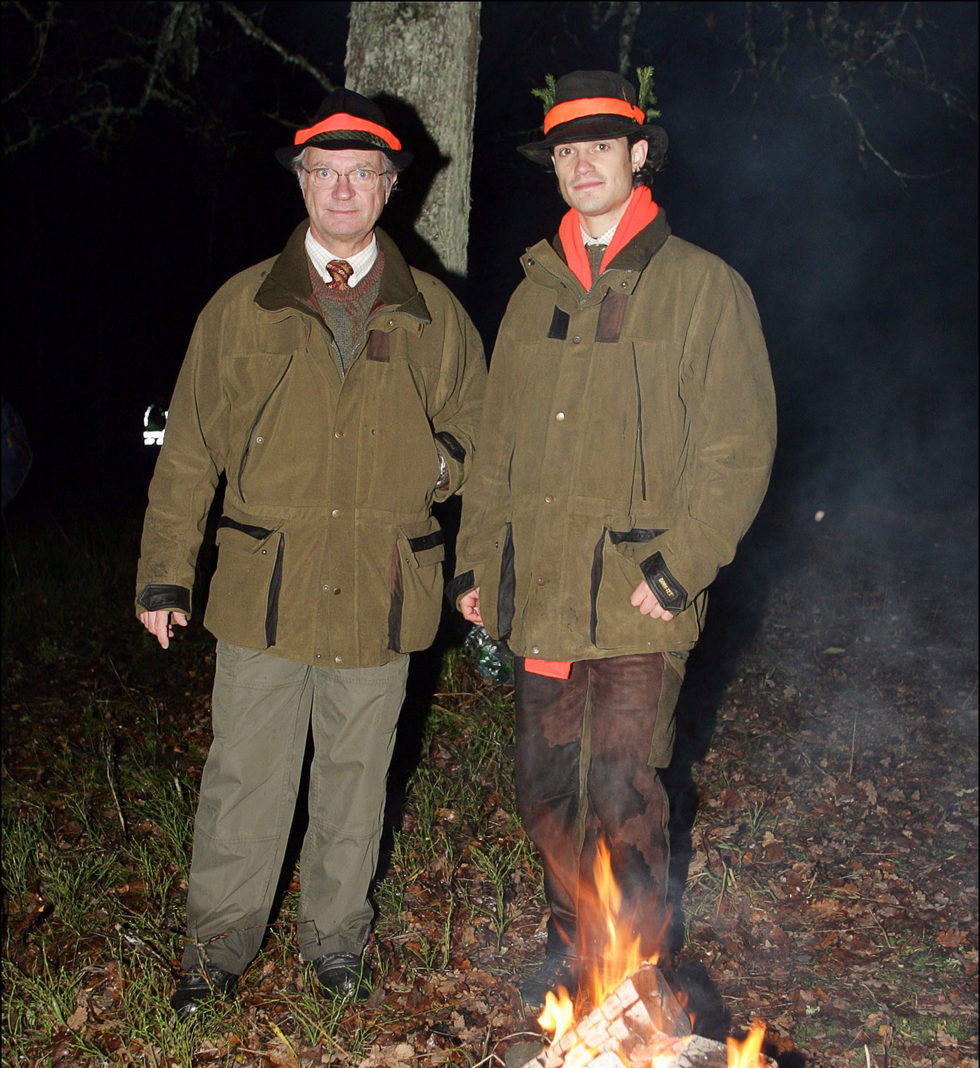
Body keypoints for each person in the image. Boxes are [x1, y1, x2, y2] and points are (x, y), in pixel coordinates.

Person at [136, 90, 485, 1018]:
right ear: (302, 183)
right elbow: (190, 450)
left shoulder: (434, 315)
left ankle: (336, 944)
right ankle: (214, 952)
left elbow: (481, 443)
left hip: (382, 583)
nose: (341, 189)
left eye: (360, 174)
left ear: (388, 190)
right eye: (323, 172)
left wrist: (441, 477)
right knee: (246, 772)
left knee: (355, 777)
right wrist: (164, 571)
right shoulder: (242, 305)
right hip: (266, 584)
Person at [451, 71, 776, 1012]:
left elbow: (738, 445)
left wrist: (681, 567)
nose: (581, 163)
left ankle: (635, 974)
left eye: (601, 145)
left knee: (626, 791)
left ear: (639, 155)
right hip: (543, 596)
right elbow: (494, 447)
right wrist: (478, 561)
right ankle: (570, 950)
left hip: (639, 595)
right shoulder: (530, 295)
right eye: (565, 149)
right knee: (547, 790)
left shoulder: (704, 288)